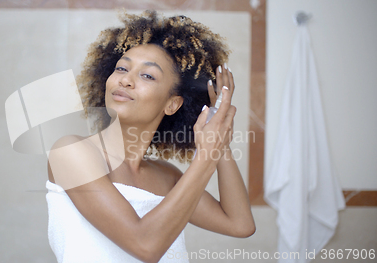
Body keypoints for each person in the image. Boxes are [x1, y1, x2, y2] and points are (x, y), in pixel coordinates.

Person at [46, 10, 255, 263]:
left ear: (172, 104)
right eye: (122, 68)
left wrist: (218, 135)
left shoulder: (166, 176)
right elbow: (145, 245)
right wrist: (206, 156)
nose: (126, 80)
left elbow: (240, 224)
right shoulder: (71, 152)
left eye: (147, 75)